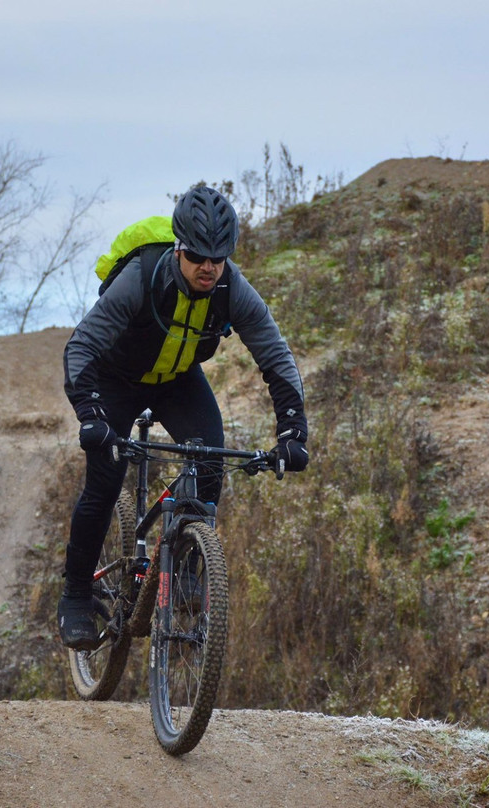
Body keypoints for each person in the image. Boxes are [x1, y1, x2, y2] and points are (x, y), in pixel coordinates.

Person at [58, 186, 309, 650]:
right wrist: (90, 413)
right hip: (116, 378)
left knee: (210, 463)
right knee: (105, 479)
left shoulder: (232, 288)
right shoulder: (142, 275)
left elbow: (276, 356)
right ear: (179, 246)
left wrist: (294, 430)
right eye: (197, 255)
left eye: (218, 257)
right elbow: (81, 347)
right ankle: (76, 594)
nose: (208, 267)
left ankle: (191, 568)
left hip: (176, 380)